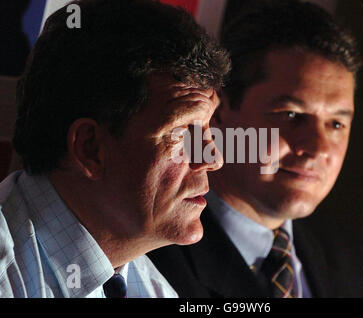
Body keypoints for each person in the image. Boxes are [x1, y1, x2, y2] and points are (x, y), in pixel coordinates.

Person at [148, 0, 363, 297]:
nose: (318, 148)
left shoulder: (351, 259)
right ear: (218, 111)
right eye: (291, 115)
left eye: (336, 124)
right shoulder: (153, 254)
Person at [0, 0, 230, 298]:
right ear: (91, 148)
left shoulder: (152, 287)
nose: (213, 159)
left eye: (208, 129)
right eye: (183, 131)